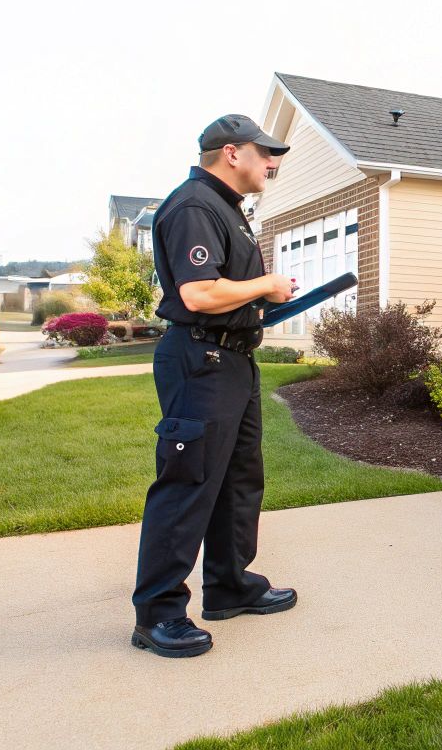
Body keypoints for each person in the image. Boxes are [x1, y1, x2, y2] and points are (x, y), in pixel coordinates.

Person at [130, 114, 301, 658]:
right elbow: (200, 294)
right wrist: (268, 285)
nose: (271, 163)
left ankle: (229, 587)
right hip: (200, 360)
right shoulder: (195, 207)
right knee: (188, 484)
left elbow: (224, 292)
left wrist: (262, 299)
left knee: (237, 481)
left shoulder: (226, 210)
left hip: (230, 360)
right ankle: (157, 615)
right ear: (232, 153)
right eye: (265, 153)